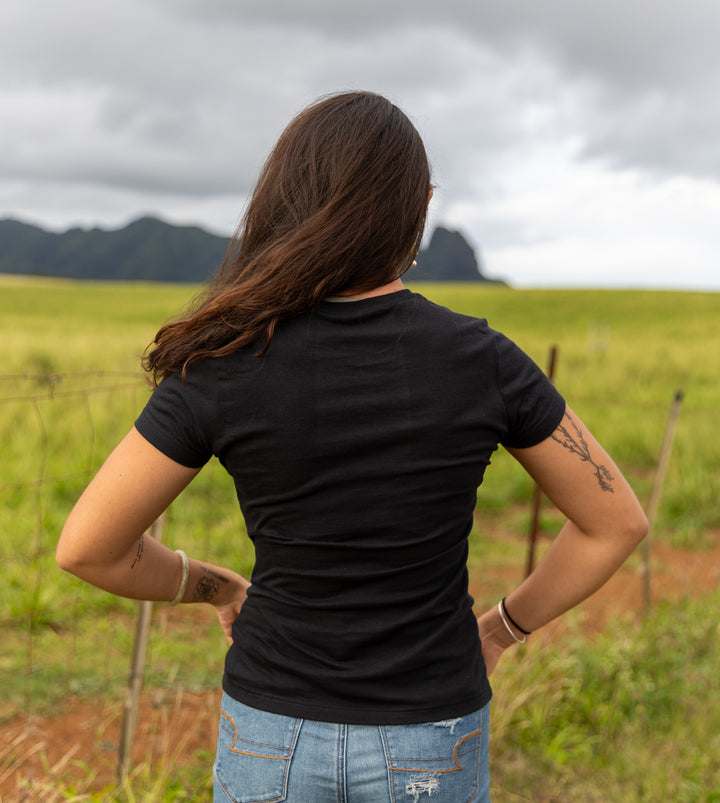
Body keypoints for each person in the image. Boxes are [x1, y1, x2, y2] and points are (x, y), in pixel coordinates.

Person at [57, 90, 648, 802]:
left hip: (269, 730)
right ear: (418, 208)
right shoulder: (482, 358)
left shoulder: (224, 362)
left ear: (284, 200)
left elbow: (87, 546)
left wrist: (214, 585)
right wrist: (500, 629)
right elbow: (616, 521)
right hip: (432, 729)